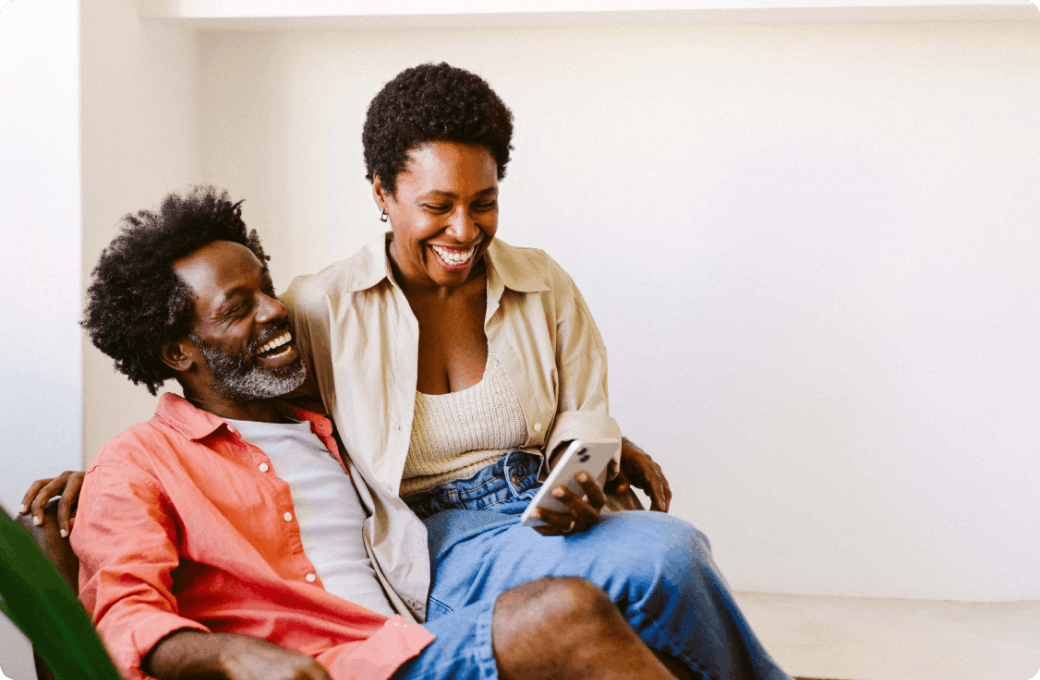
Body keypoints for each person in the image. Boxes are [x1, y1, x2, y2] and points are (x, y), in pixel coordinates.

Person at [25, 64, 793, 679]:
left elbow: (582, 410)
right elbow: (126, 594)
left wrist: (591, 454)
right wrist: (106, 491)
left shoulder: (312, 416)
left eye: (484, 202)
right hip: (427, 564)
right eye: (438, 205)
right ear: (383, 196)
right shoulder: (309, 320)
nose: (272, 313)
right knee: (642, 570)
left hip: (463, 578)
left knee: (644, 571)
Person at [47, 186, 698, 680]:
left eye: (267, 289)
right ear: (176, 354)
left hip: (412, 641)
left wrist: (605, 445)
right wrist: (235, 655)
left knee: (629, 593)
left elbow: (445, 434)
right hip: (333, 666)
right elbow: (119, 617)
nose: (277, 311)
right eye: (240, 309)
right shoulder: (137, 463)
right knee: (565, 614)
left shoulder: (327, 422)